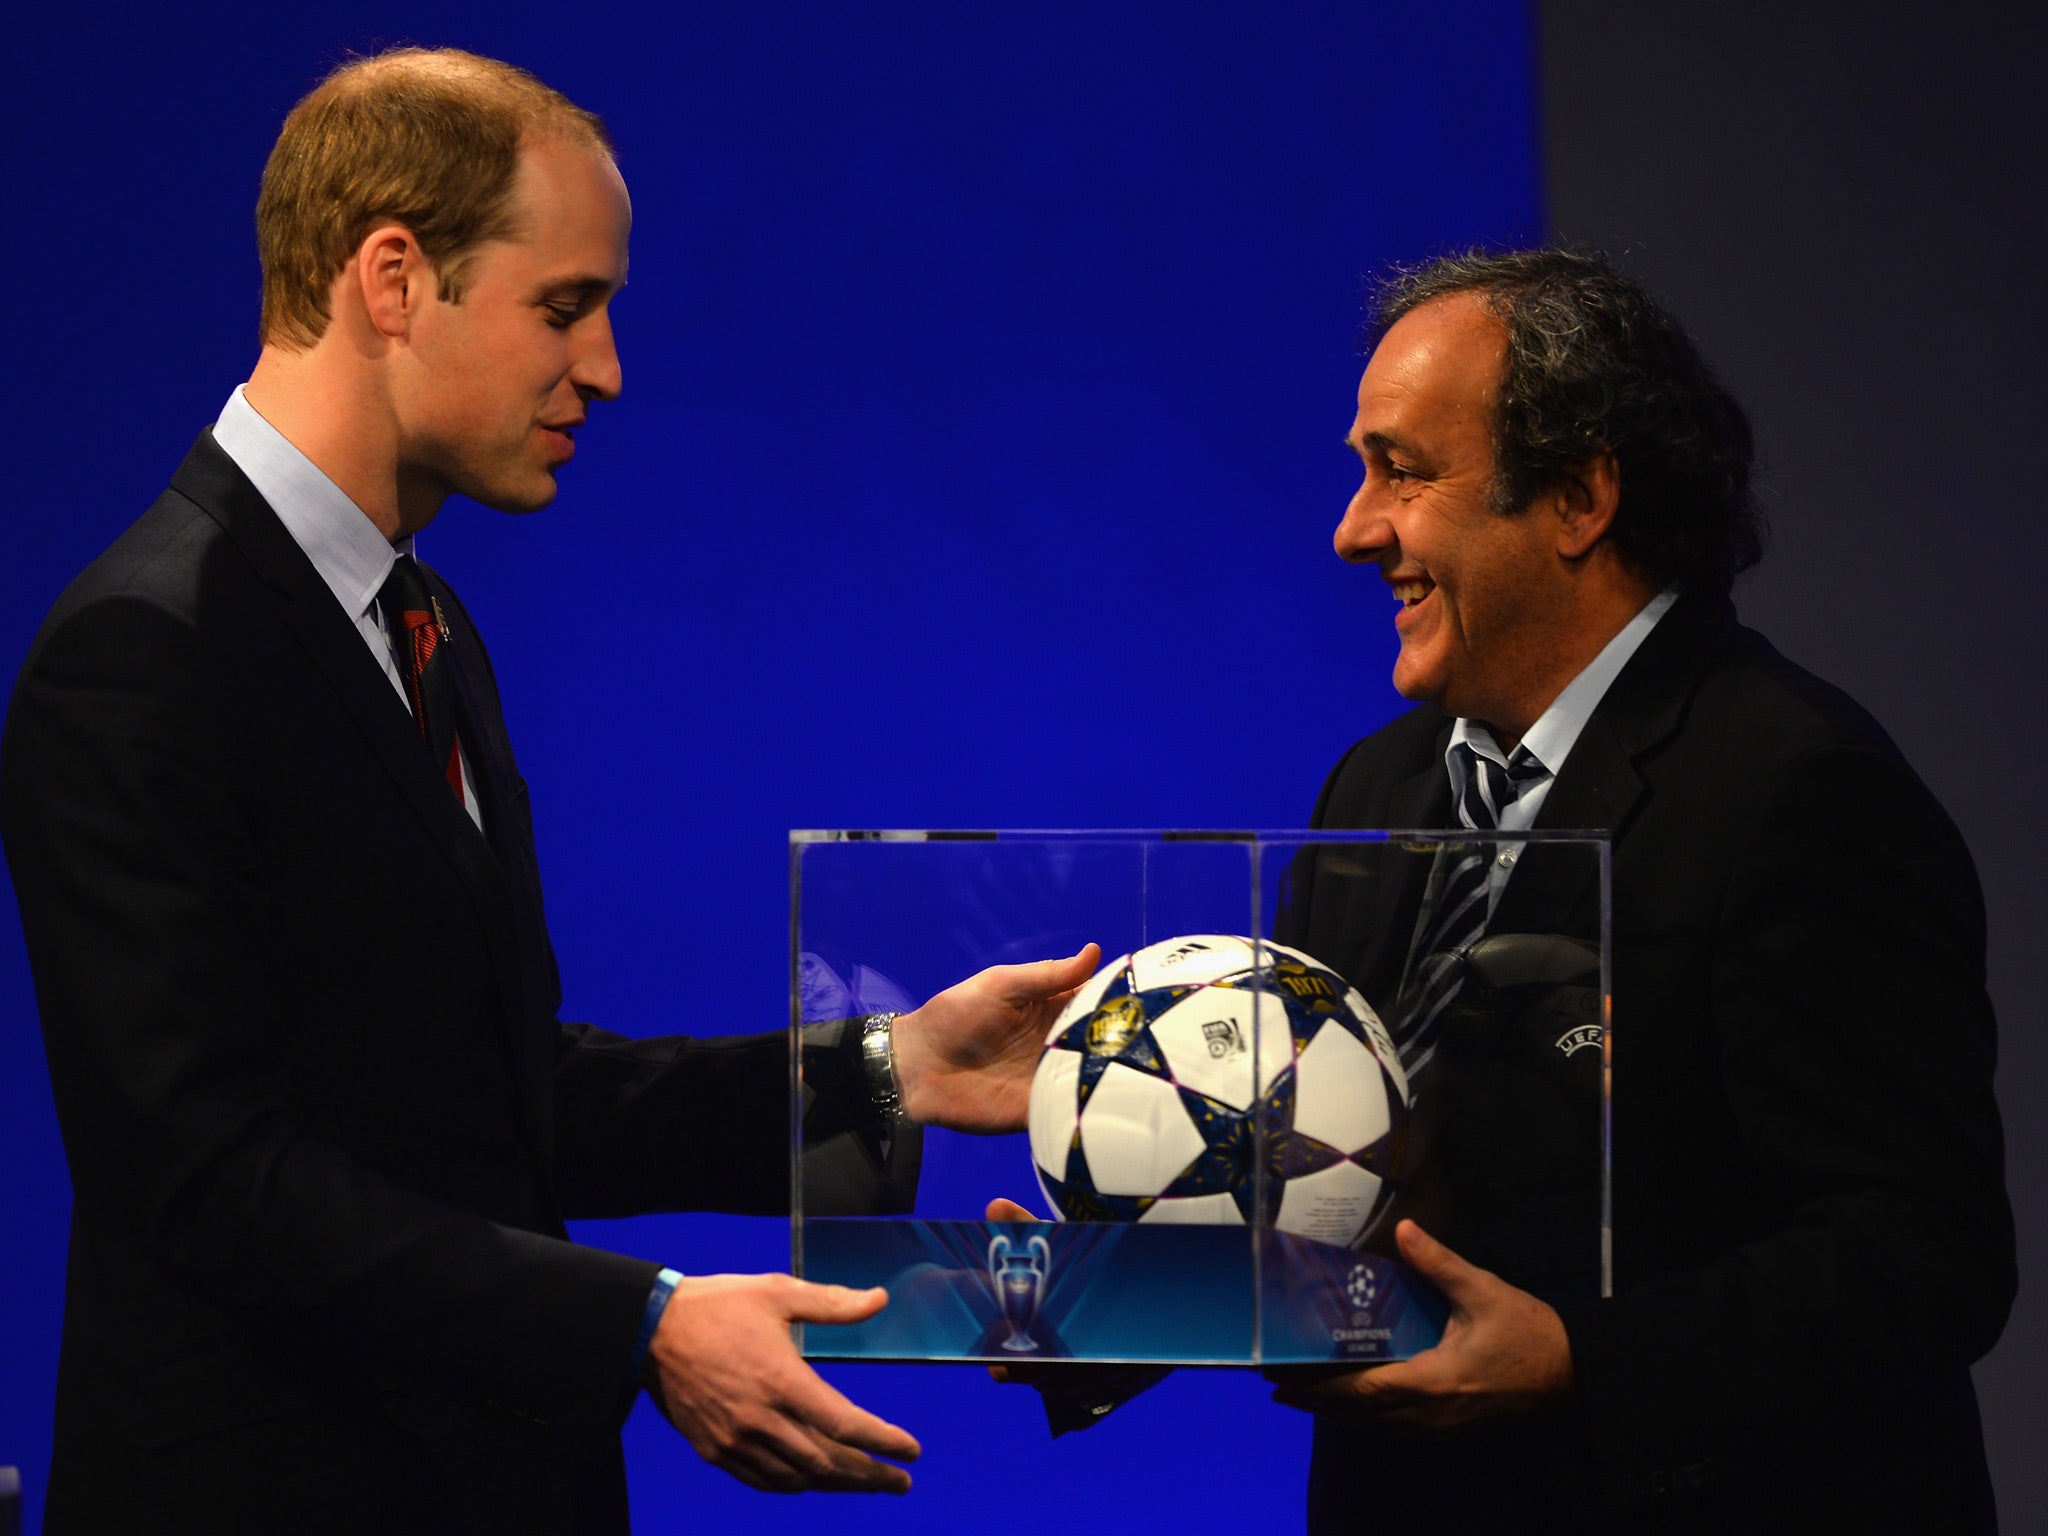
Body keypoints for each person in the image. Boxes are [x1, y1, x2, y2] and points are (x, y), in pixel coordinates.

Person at [0, 48, 1095, 1534]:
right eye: (566, 307)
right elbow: (207, 1181)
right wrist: (640, 1320)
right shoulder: (144, 650)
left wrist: (886, 1071)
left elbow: (489, 1097)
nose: (606, 369)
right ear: (392, 280)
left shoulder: (424, 622)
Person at [1264, 248, 2014, 1531]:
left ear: (1574, 496)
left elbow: (1923, 1256)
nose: (1351, 529)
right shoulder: (1374, 791)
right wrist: (1120, 1221)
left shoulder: (1796, 790)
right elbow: (1343, 1176)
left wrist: (1577, 1362)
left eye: (1401, 470)